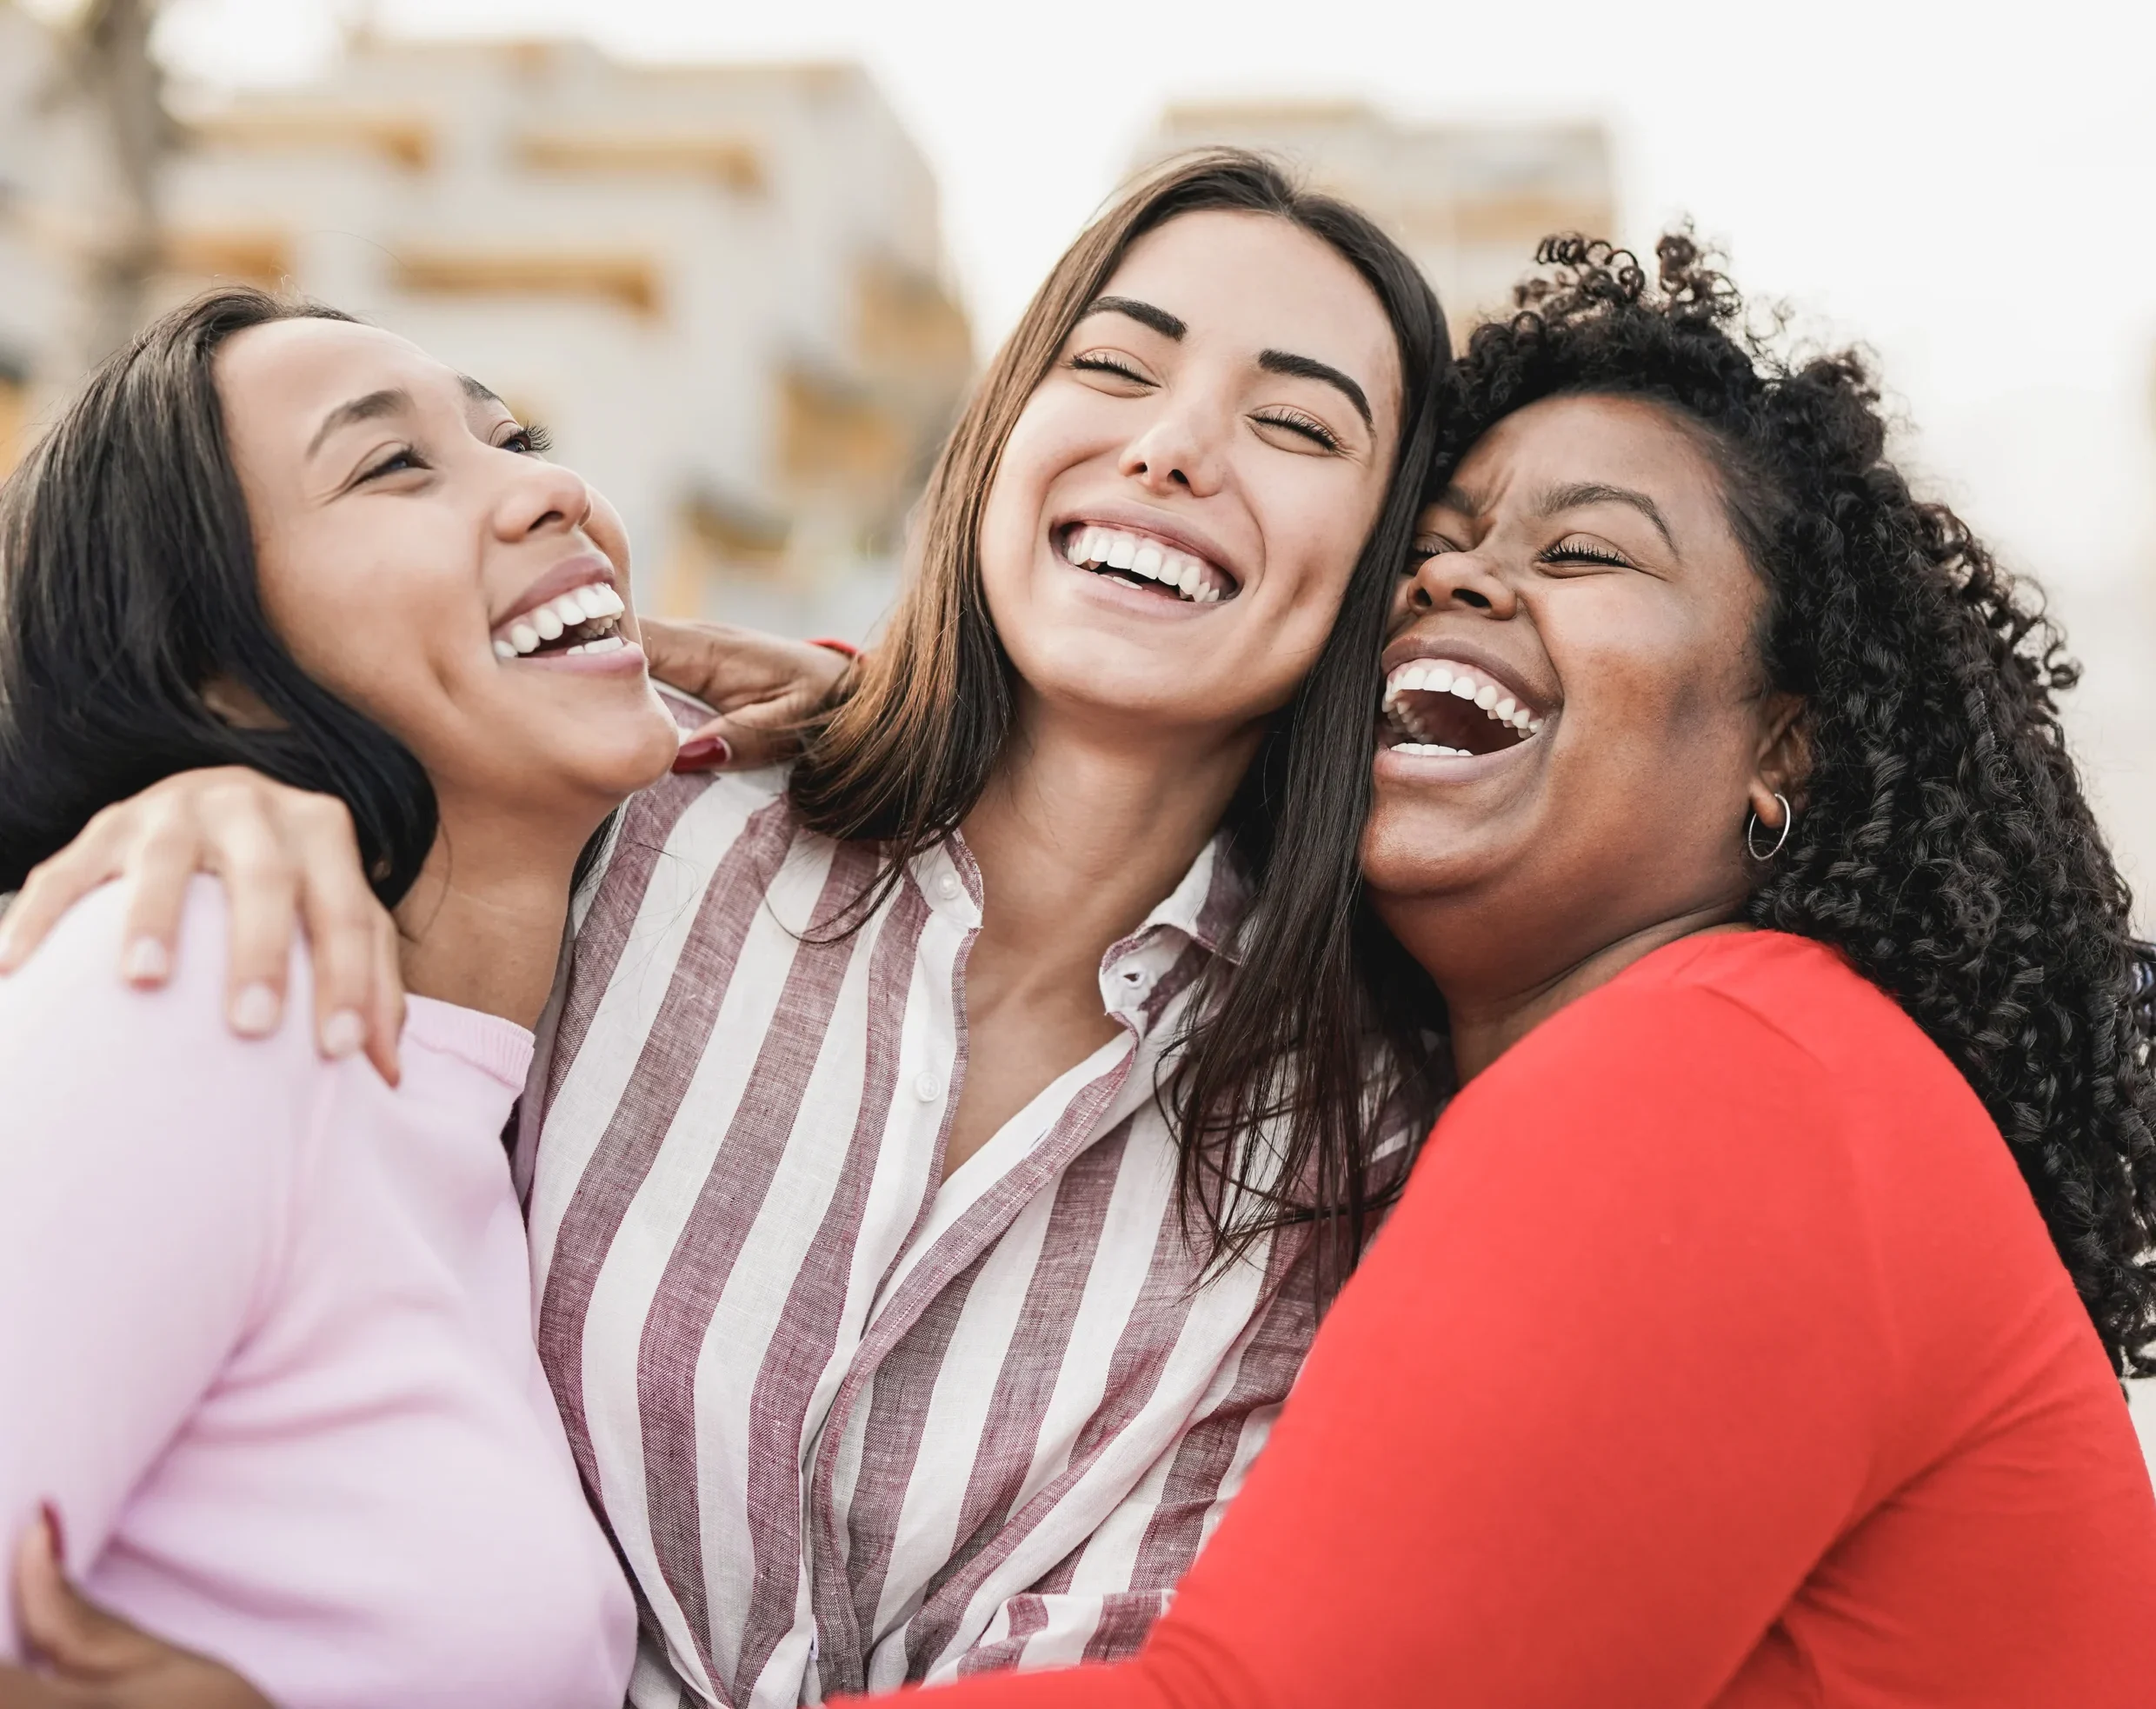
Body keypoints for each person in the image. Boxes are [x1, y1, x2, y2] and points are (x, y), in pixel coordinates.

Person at [0, 151, 1452, 1705]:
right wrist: (178, 812)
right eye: (1110, 366)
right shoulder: (629, 830)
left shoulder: (1354, 1141)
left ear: (1384, 565)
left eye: (1297, 425)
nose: (1174, 448)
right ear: (1000, 430)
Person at [821, 235, 2156, 1705]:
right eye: (1430, 546)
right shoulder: (1629, 1078)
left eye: (1582, 552)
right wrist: (875, 719)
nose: (1458, 577)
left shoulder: (1713, 1075)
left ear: (1782, 749)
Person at [0, 289, 685, 1705]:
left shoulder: (486, 1114)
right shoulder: (195, 976)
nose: (551, 487)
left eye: (517, 437)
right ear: (219, 678)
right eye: (394, 466)